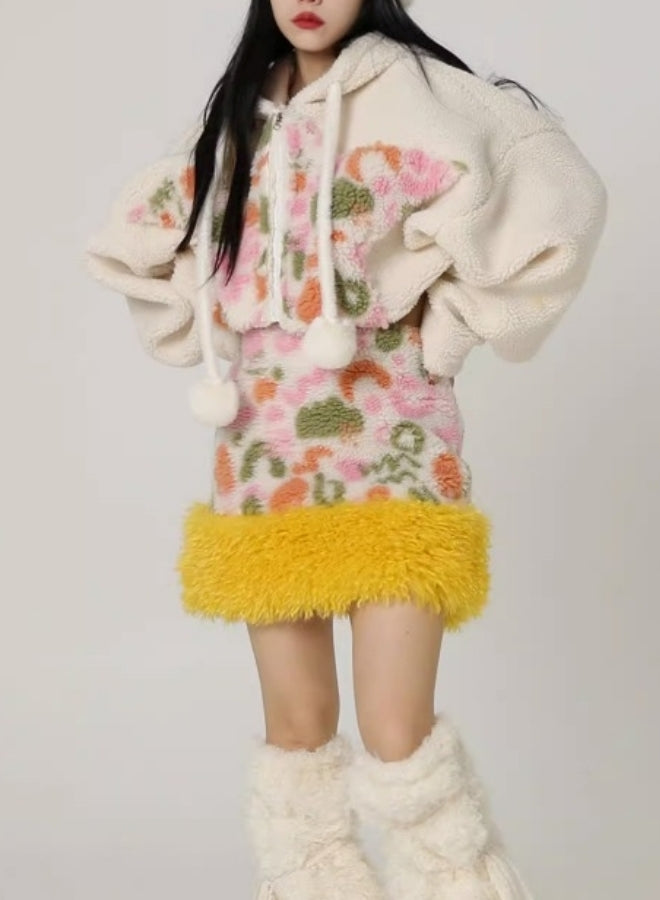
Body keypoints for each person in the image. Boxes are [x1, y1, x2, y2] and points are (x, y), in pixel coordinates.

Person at [84, 1, 608, 897]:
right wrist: (212, 319)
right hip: (263, 457)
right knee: (297, 737)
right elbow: (140, 241)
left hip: (396, 446)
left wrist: (449, 327)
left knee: (398, 736)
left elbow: (562, 200)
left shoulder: (418, 94)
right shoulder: (235, 119)